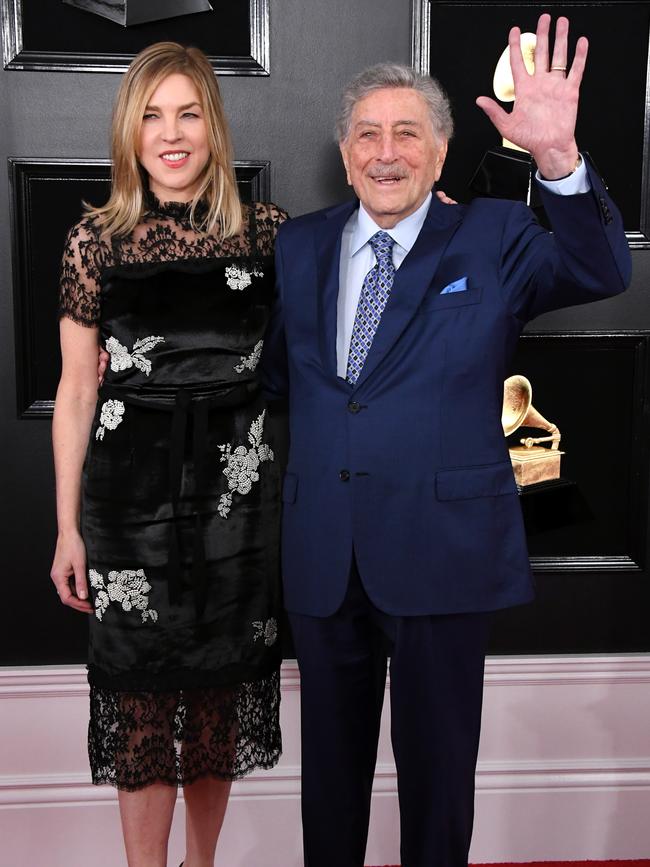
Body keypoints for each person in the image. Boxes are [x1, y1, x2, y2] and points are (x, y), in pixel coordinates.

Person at [262, 14, 631, 867]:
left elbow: (603, 269)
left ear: (438, 150)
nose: (385, 152)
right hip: (324, 552)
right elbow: (284, 375)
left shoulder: (494, 237)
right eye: (367, 134)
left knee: (437, 783)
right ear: (345, 150)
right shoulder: (301, 243)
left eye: (407, 134)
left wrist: (557, 159)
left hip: (444, 551)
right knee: (330, 785)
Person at [50, 42, 286, 867]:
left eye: (187, 112)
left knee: (217, 694)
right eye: (152, 116)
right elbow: (78, 391)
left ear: (212, 127)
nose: (171, 133)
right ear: (130, 132)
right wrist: (66, 529)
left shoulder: (268, 235)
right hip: (128, 503)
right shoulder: (96, 242)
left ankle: (201, 864)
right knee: (144, 705)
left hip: (239, 497)